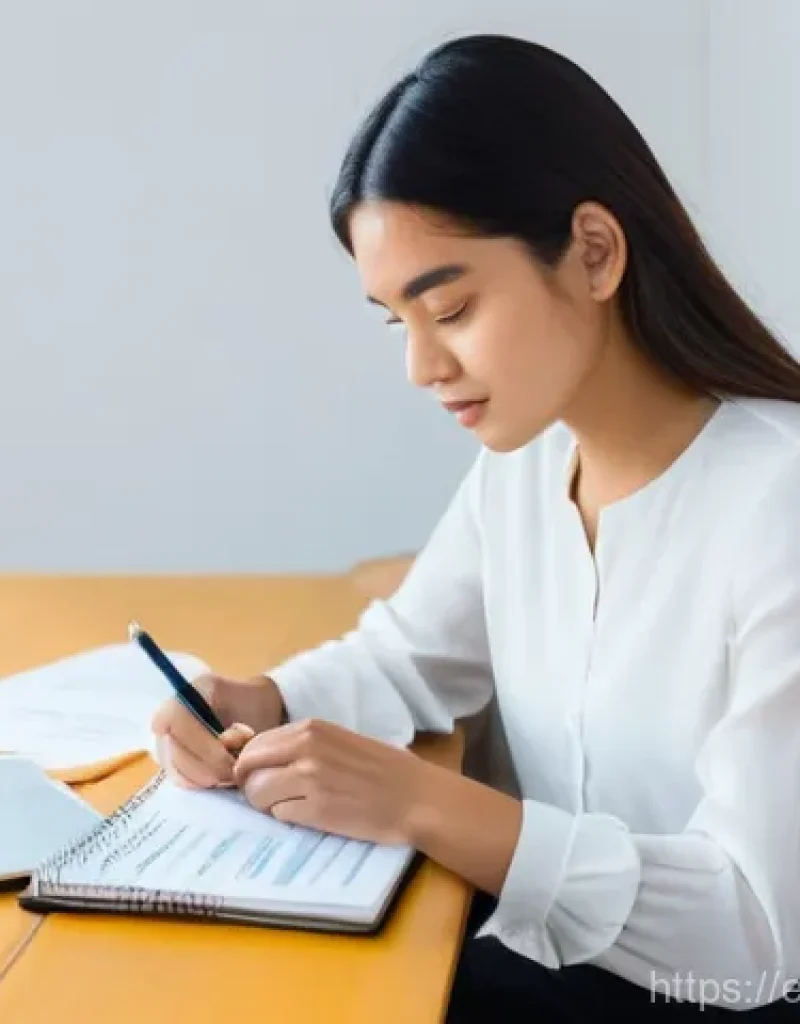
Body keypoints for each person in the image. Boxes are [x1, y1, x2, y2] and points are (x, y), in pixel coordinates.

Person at [150, 33, 800, 1020]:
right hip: (547, 961)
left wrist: (429, 804)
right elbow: (412, 659)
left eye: (447, 307)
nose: (420, 366)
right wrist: (264, 698)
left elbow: (753, 935)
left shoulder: (776, 504)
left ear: (593, 251)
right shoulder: (528, 466)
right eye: (394, 321)